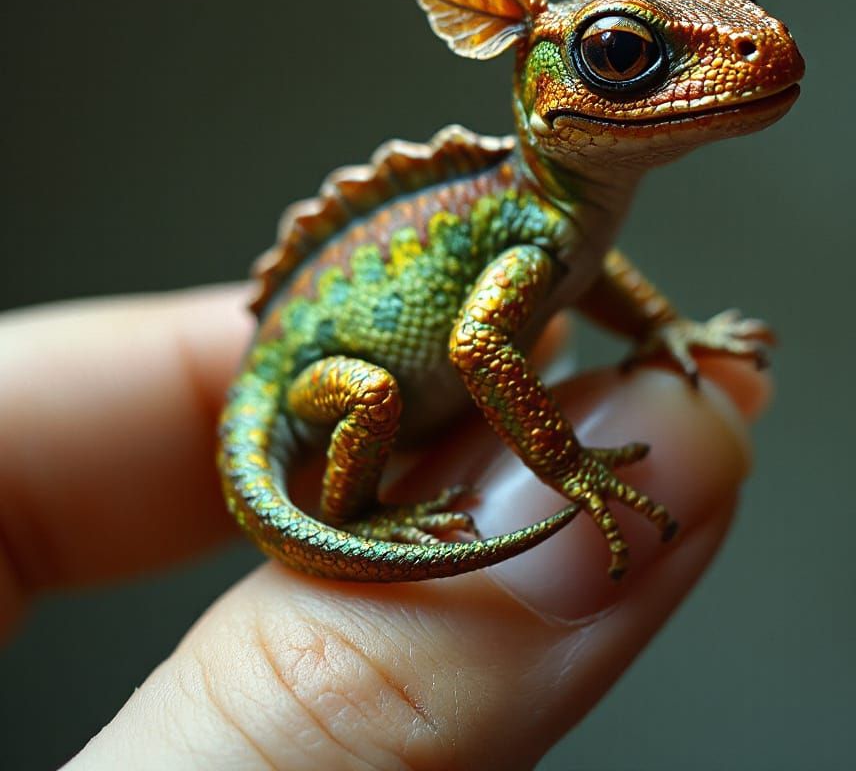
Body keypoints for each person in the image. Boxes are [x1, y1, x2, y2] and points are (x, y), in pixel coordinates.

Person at [0, 285, 770, 769]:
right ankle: (357, 510)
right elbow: (478, 343)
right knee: (368, 395)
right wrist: (568, 469)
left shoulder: (571, 220)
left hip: (331, 366)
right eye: (619, 54)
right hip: (312, 378)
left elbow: (588, 275)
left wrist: (662, 324)